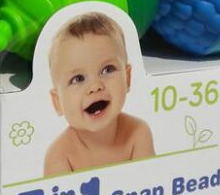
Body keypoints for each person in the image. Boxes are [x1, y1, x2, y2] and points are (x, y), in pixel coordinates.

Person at [44, 12, 155, 176]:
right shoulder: (60, 156)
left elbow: (150, 183)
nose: (95, 86)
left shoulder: (138, 133)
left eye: (107, 69)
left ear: (127, 78)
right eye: (78, 79)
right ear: (57, 102)